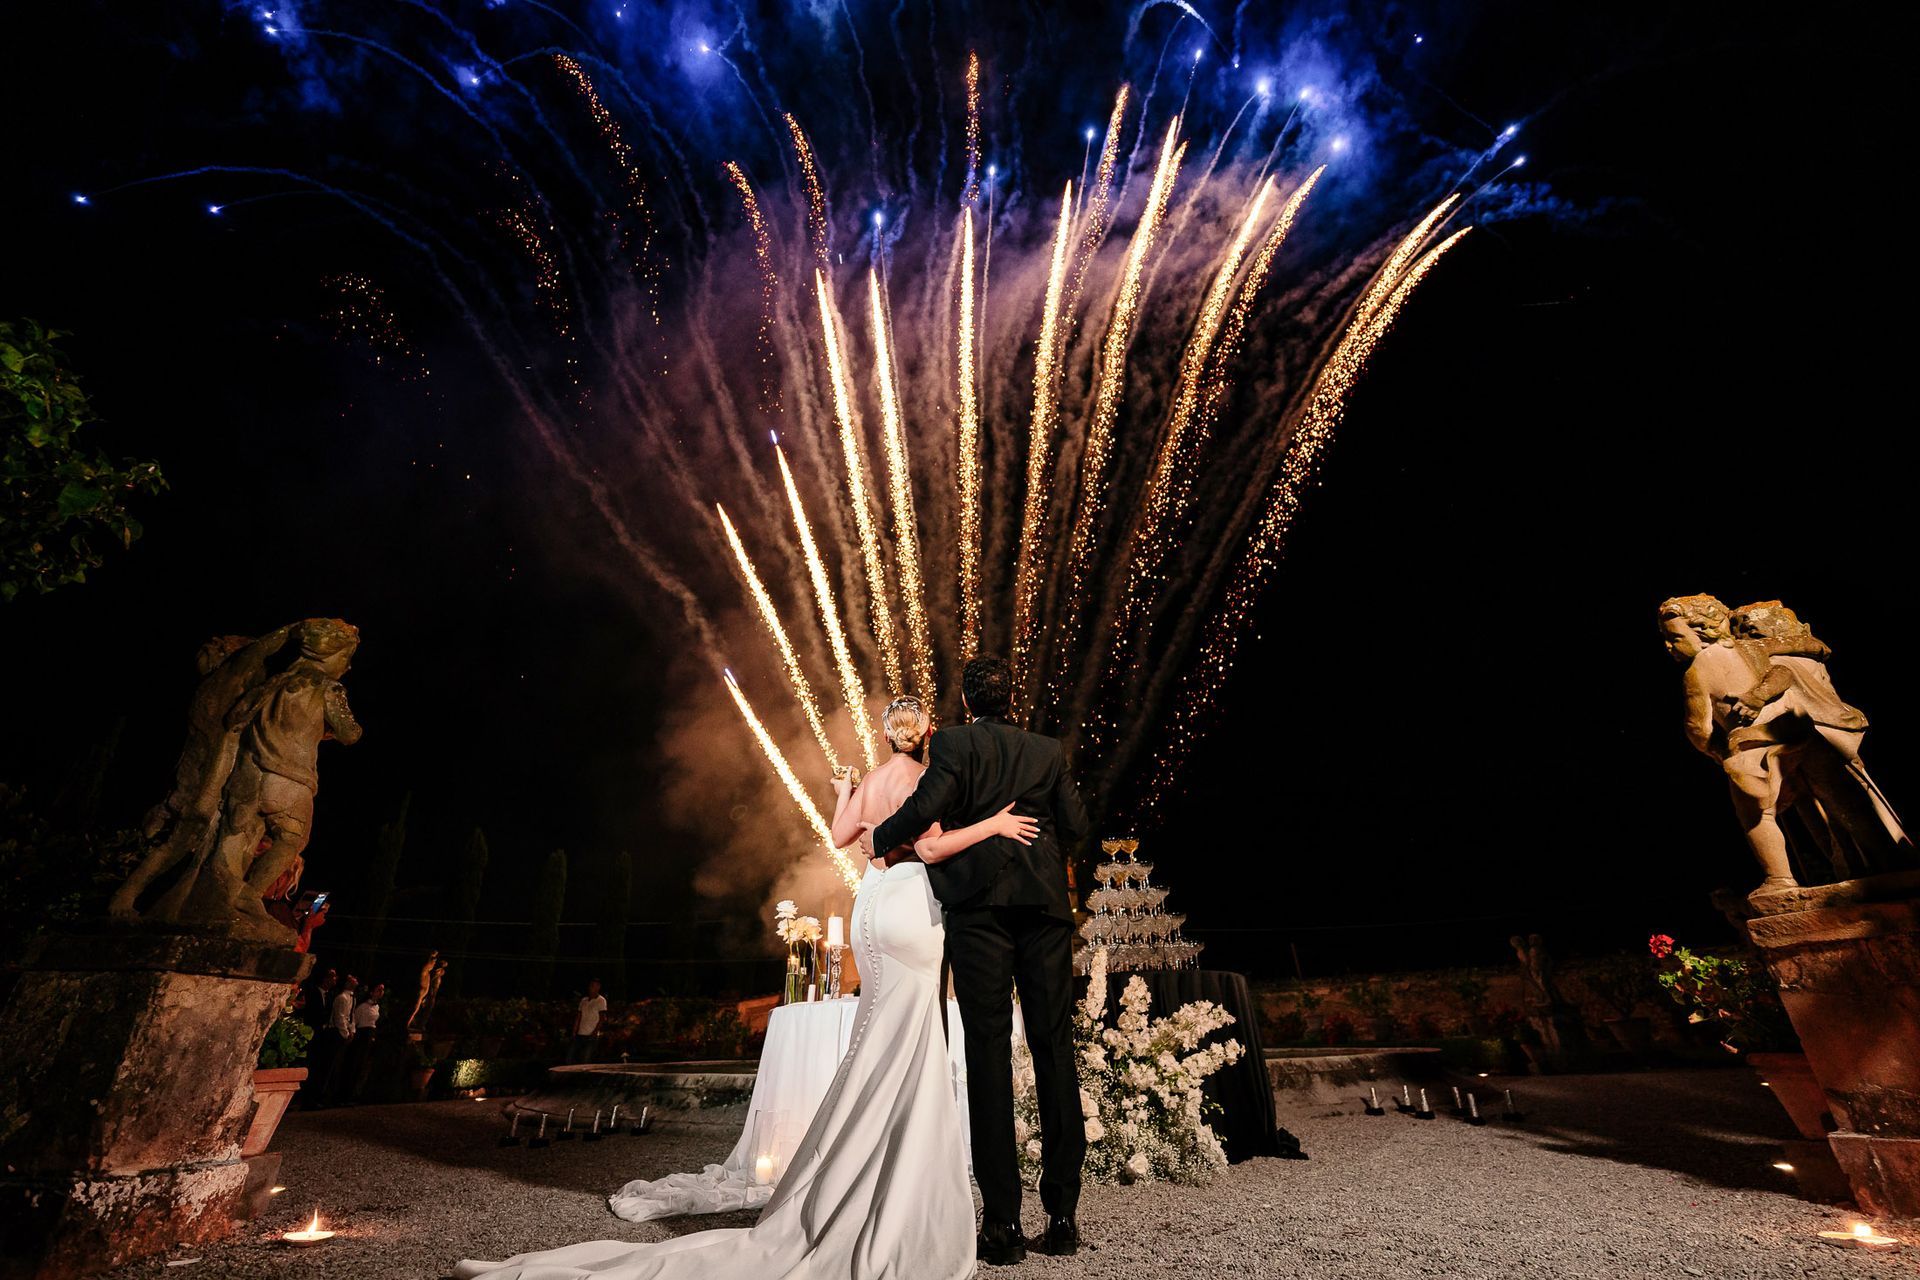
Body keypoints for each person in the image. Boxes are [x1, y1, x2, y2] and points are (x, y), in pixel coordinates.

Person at [455, 694, 1038, 1280]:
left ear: (887, 735)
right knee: (909, 1045)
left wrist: (842, 790)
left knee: (876, 1037)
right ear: (930, 731)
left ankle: (853, 1167)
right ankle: (891, 1177)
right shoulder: (924, 778)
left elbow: (840, 837)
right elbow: (932, 847)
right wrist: (993, 825)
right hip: (909, 900)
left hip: (869, 906)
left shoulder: (874, 780)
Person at [870, 655, 1091, 1262]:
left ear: (967, 702)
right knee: (1053, 1050)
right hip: (1044, 911)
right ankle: (1064, 1215)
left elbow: (924, 808)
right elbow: (1078, 822)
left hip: (980, 913)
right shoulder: (1046, 750)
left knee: (988, 1055)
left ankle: (1002, 1226)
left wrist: (880, 838)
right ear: (1009, 697)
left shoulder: (954, 745)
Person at [308, 973, 357, 1107]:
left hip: (340, 1032)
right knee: (327, 1066)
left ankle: (327, 1096)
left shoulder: (348, 997)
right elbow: (339, 1017)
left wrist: (351, 1030)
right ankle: (317, 1097)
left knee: (335, 1066)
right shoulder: (341, 997)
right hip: (334, 1033)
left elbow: (351, 1016)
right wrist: (345, 1033)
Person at [344, 980, 385, 1102]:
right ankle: (347, 1094)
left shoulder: (377, 1007)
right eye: (379, 990)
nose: (381, 992)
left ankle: (355, 1094)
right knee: (356, 1064)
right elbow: (356, 1021)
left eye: (382, 990)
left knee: (363, 1066)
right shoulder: (363, 1006)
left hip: (370, 1034)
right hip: (362, 1035)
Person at [569, 979, 608, 1064]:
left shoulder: (601, 1000)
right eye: (590, 986)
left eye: (593, 986)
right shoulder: (584, 1000)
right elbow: (578, 1017)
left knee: (585, 1059)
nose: (591, 988)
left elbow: (602, 1018)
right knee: (570, 1058)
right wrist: (574, 1031)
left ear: (598, 987)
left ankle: (584, 1076)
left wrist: (595, 1033)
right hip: (580, 1034)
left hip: (591, 1035)